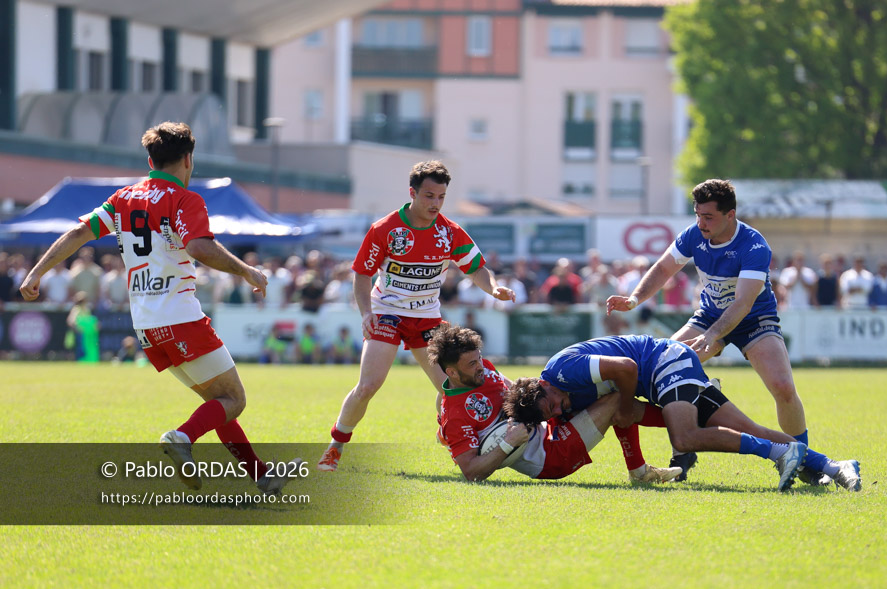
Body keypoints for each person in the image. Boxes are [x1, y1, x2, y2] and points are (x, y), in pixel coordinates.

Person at [19, 121, 299, 494]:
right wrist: (247, 270)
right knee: (233, 399)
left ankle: (262, 476)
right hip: (180, 317)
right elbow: (199, 247)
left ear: (150, 160)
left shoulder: (123, 199)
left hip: (147, 325)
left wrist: (35, 273)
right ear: (188, 159)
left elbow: (78, 232)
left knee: (216, 401)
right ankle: (181, 437)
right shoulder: (185, 199)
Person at [318, 160, 515, 471]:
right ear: (412, 193)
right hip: (387, 314)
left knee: (451, 386)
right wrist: (366, 313)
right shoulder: (385, 229)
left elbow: (477, 268)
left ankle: (444, 425)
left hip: (427, 319)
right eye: (429, 196)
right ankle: (335, 447)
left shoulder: (449, 232)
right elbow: (362, 274)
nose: (436, 203)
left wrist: (493, 289)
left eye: (441, 197)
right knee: (368, 386)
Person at [606, 179, 811, 458]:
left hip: (754, 320)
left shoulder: (754, 246)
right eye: (698, 215)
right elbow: (664, 268)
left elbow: (743, 303)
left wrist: (712, 335)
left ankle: (806, 458)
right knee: (662, 368)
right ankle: (685, 447)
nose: (701, 223)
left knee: (783, 388)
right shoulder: (694, 235)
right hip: (710, 315)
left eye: (709, 217)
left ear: (730, 215)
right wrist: (634, 299)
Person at [505, 335, 862, 492]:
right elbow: (624, 416)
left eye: (552, 404)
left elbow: (627, 368)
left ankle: (780, 453)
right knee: (747, 427)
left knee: (685, 438)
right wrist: (636, 466)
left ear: (542, 384)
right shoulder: (562, 396)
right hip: (663, 377)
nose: (560, 410)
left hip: (665, 363)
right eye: (551, 414)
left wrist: (627, 408)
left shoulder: (562, 371)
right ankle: (835, 466)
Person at [428, 326, 680, 483]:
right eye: (472, 364)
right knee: (615, 400)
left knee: (602, 391)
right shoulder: (456, 416)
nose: (481, 366)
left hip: (549, 426)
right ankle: (685, 426)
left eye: (479, 358)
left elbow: (512, 390)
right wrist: (508, 442)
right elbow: (471, 472)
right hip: (550, 457)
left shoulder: (483, 370)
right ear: (452, 372)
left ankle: (684, 418)